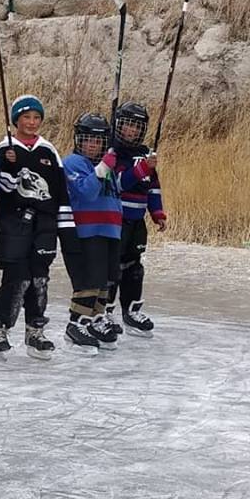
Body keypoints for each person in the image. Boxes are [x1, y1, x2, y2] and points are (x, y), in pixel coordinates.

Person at [0, 94, 73, 360]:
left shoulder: (48, 151)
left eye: (36, 118)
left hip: (44, 223)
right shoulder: (3, 149)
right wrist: (8, 164)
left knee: (39, 279)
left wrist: (66, 226)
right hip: (13, 222)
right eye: (26, 117)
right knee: (17, 277)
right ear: (15, 121)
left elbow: (61, 190)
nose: (32, 123)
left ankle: (35, 330)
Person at [61, 112, 123, 355]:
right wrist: (103, 167)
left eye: (97, 141)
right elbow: (86, 192)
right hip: (88, 231)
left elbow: (115, 194)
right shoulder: (73, 163)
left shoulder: (107, 166)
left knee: (105, 279)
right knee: (89, 278)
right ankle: (77, 323)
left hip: (109, 229)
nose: (92, 145)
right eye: (87, 140)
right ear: (78, 139)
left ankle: (96, 318)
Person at [108, 101, 165, 337]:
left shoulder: (145, 154)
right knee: (112, 266)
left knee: (134, 266)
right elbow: (119, 183)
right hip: (116, 219)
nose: (131, 131)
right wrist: (142, 168)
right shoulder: (112, 153)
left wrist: (157, 212)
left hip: (137, 220)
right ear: (118, 126)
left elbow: (153, 187)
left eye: (136, 127)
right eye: (127, 125)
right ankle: (105, 311)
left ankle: (131, 310)